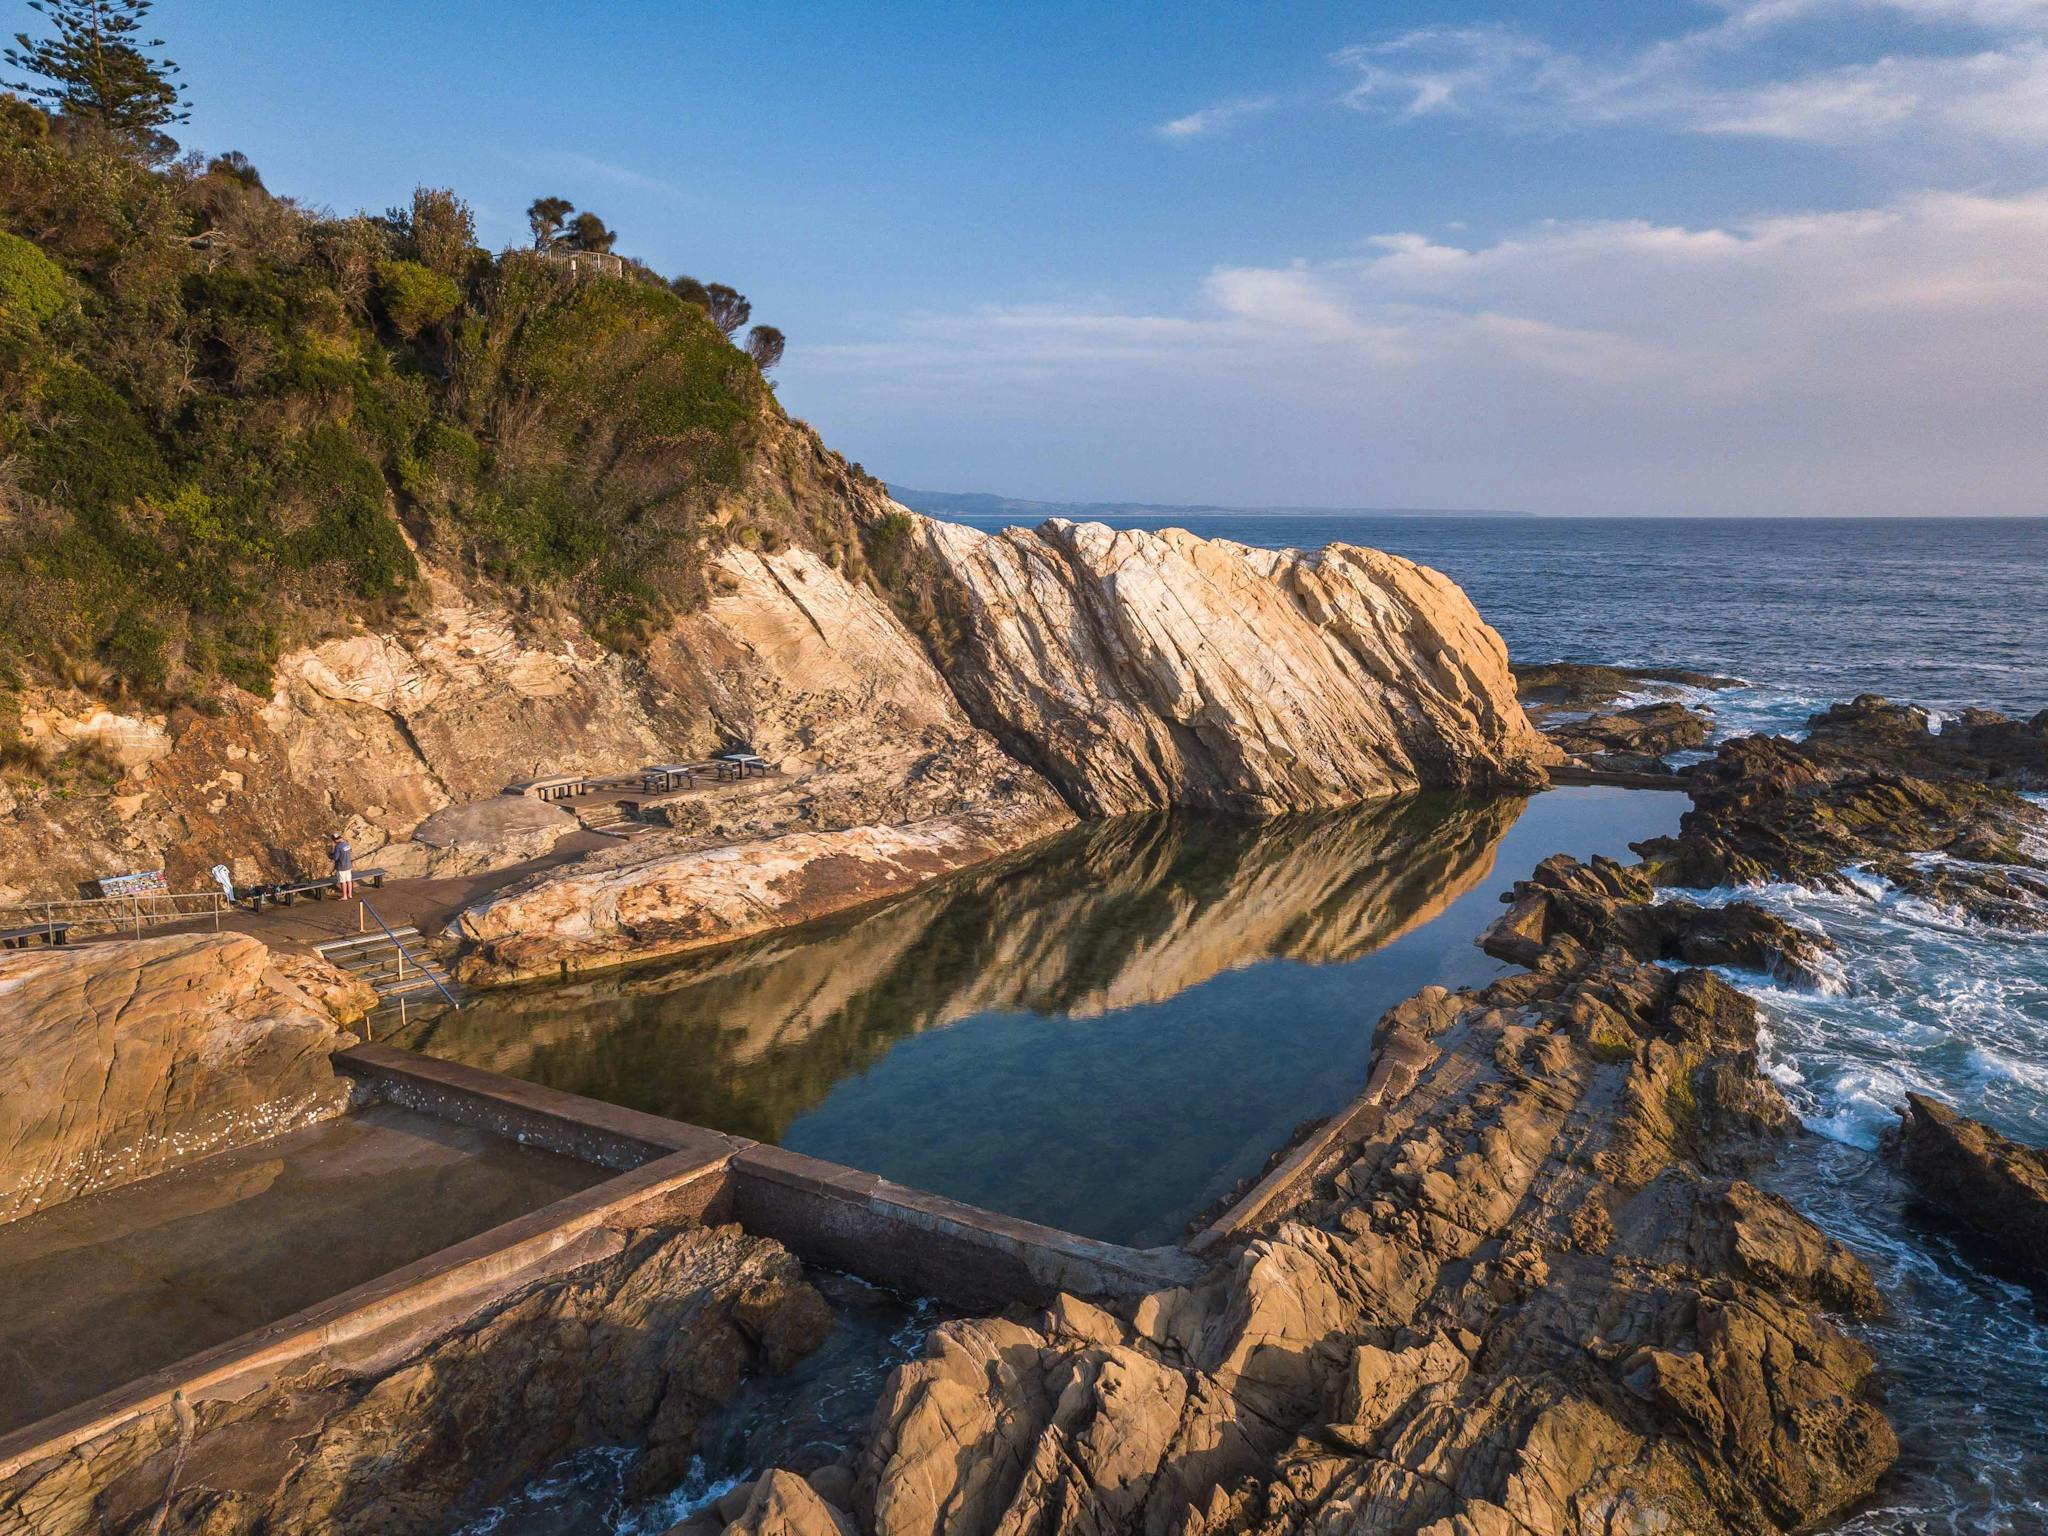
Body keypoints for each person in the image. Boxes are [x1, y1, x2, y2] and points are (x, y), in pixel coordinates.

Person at [329, 832, 353, 899]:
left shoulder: (338, 847)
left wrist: (331, 856)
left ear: (335, 840)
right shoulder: (347, 843)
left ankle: (344, 896)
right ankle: (350, 894)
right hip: (348, 865)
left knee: (343, 882)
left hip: (341, 867)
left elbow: (335, 858)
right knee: (349, 881)